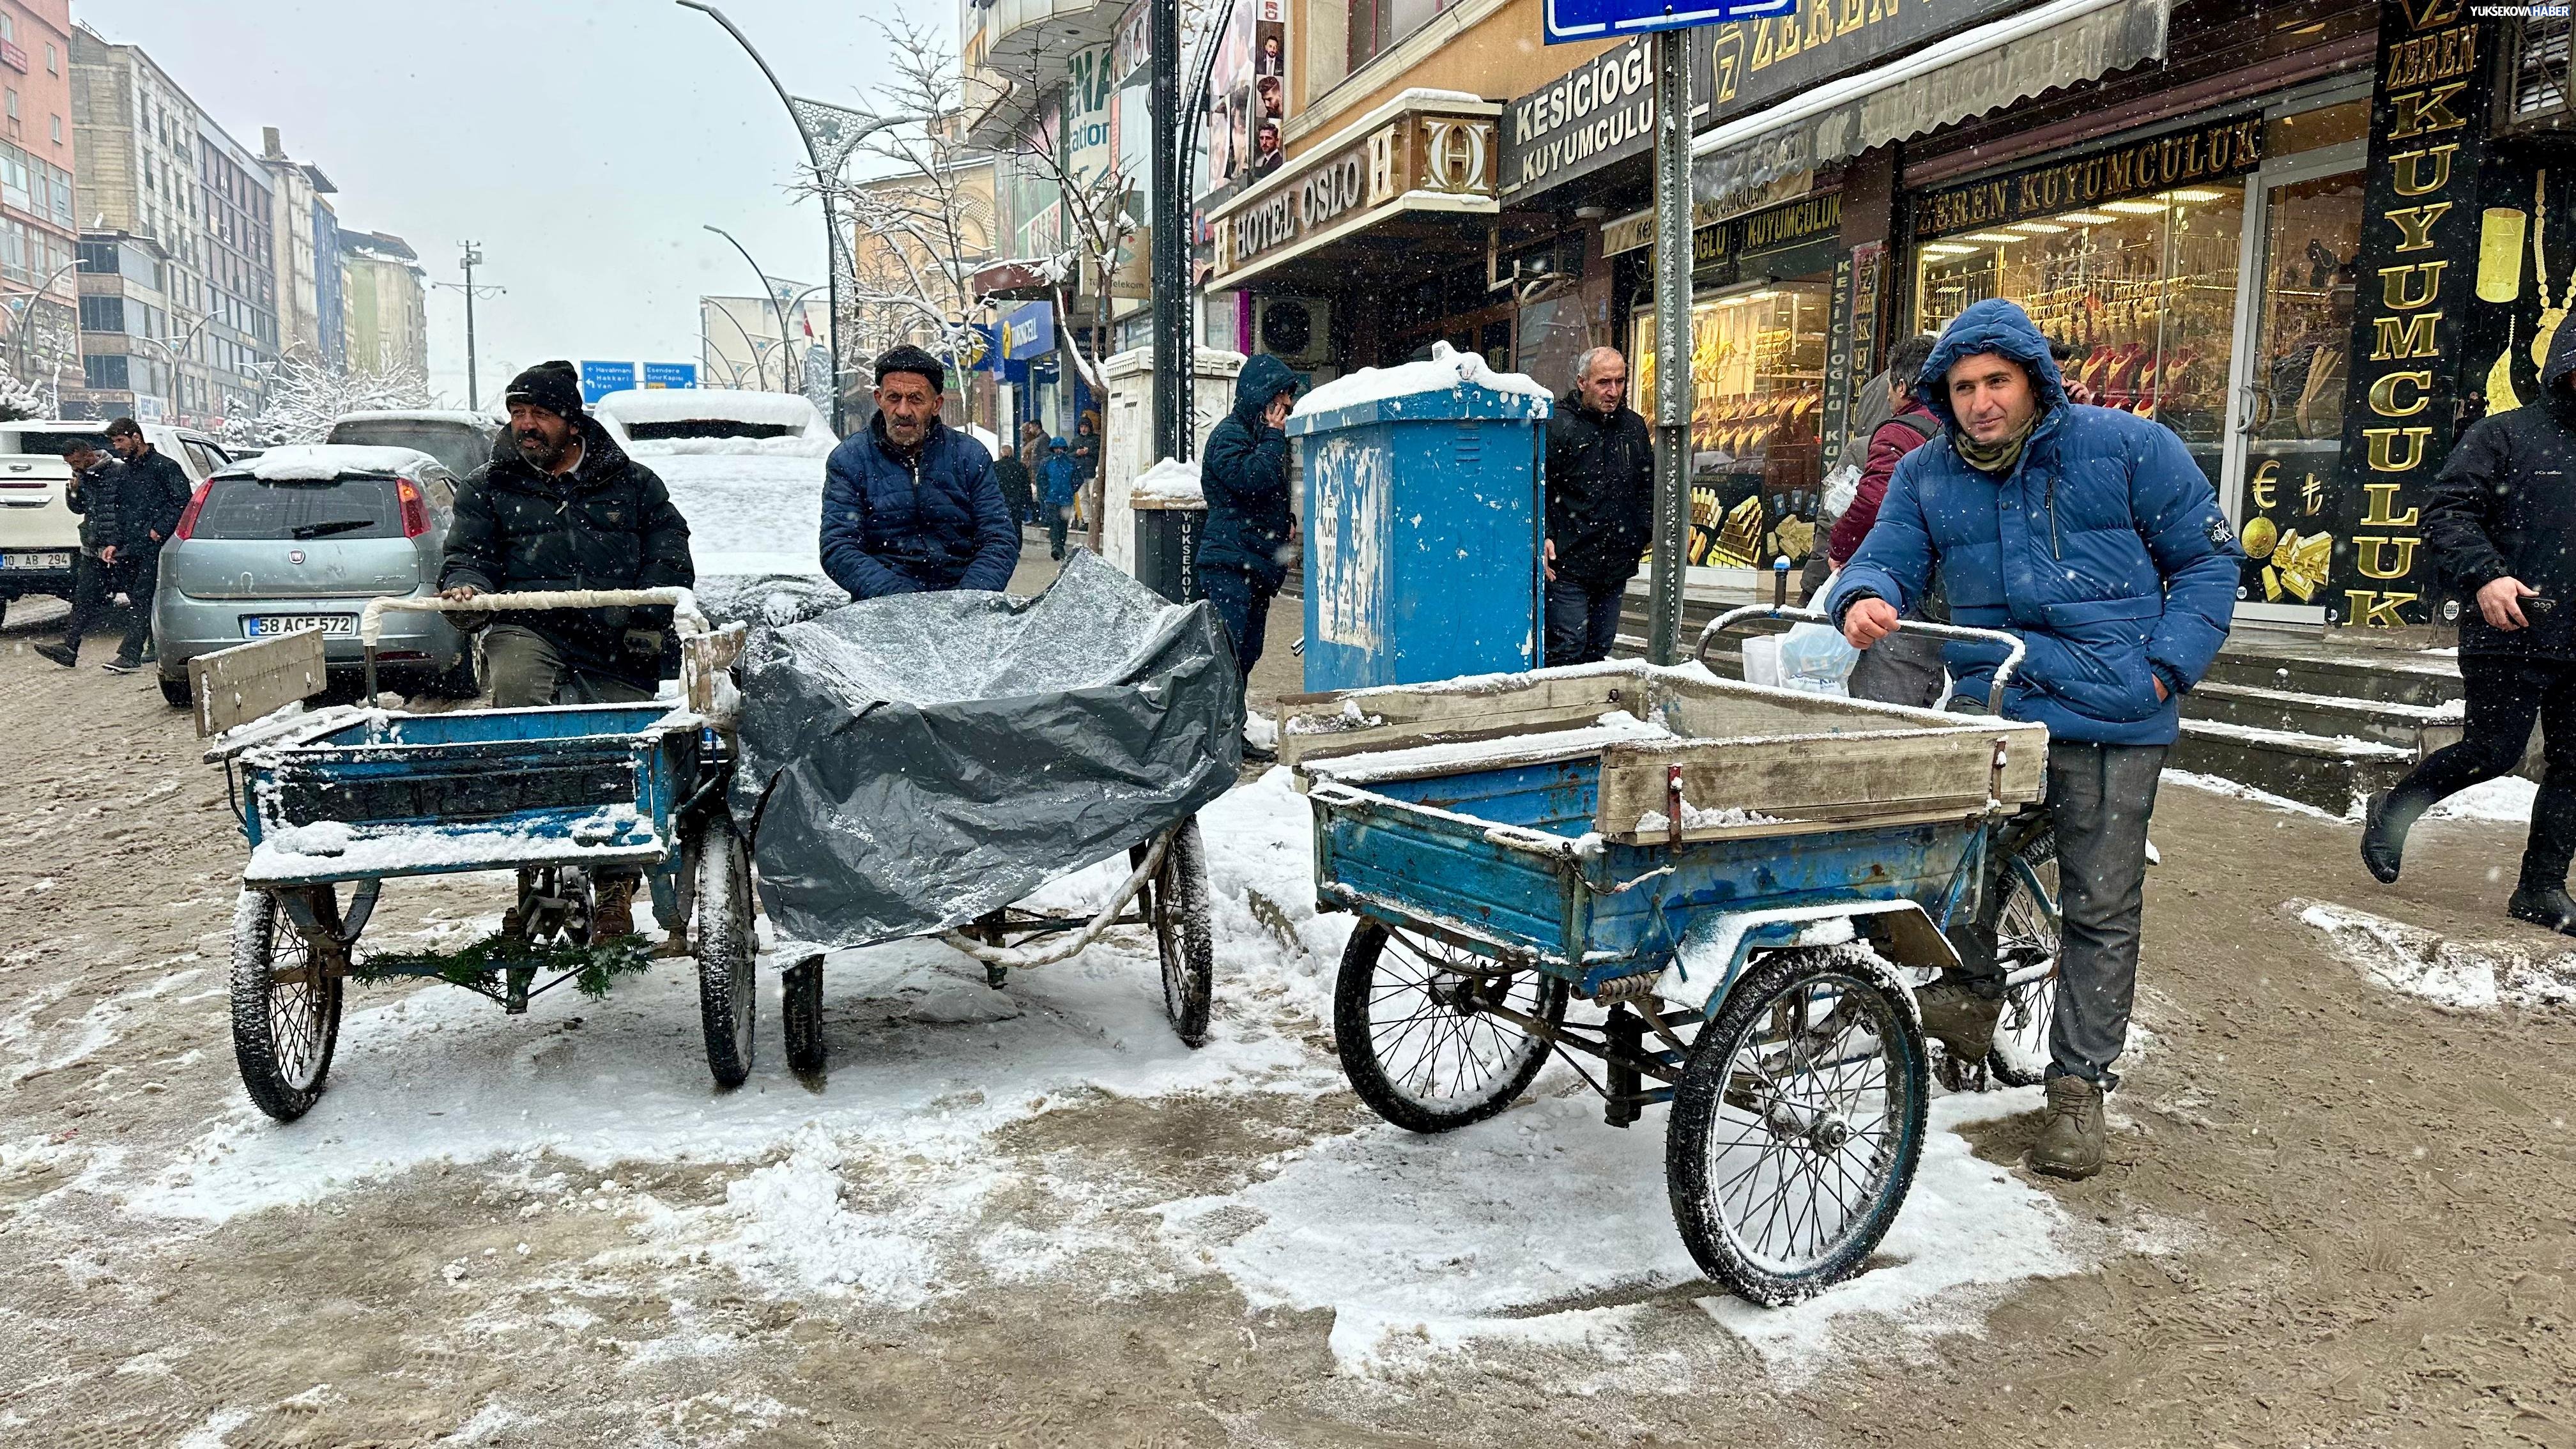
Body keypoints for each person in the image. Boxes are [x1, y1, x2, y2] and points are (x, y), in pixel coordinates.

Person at [1825, 298, 2237, 1179]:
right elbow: (1886, 554)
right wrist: (1862, 595)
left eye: (1997, 382)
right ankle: (1970, 990)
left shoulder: (2128, 447)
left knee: (2100, 903)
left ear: (2034, 382)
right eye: (1963, 387)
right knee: (1947, 857)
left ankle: (2079, 1088)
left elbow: (2207, 561)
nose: (1981, 403)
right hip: (1999, 702)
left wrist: (2164, 669)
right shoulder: (1928, 473)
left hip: (2113, 710)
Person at [438, 359, 694, 940]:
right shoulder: (488, 487)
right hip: (529, 627)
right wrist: (466, 588)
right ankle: (539, 846)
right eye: (517, 413)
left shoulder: (633, 484)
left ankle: (615, 884)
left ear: (573, 422)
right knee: (517, 700)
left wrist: (646, 618)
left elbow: (670, 555)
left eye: (540, 414)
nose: (526, 425)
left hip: (615, 638)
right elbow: (468, 555)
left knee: (624, 749)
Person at [2363, 324, 2576, 930]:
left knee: (2575, 766)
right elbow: (2447, 512)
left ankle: (2540, 888)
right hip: (2512, 626)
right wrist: (2487, 575)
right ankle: (2395, 808)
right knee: (2494, 751)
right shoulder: (2503, 435)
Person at [821, 344, 1017, 597]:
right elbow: (839, 547)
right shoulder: (849, 460)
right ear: (879, 399)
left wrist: (965, 601)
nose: (903, 411)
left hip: (964, 604)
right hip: (884, 608)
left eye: (915, 399)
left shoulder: (969, 456)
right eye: (894, 398)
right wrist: (902, 602)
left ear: (936, 404)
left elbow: (999, 539)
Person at [1828, 333, 1947, 707]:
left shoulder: (1898, 431)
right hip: (1955, 586)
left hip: (1910, 577)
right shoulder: (1961, 428)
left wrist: (1841, 549)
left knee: (1890, 694)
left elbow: (1873, 503)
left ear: (1902, 386)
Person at [1542, 346, 1651, 666]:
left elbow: (1647, 485)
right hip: (1567, 564)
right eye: (1604, 382)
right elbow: (1539, 487)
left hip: (1615, 562)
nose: (1613, 391)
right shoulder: (1558, 425)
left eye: (1620, 381)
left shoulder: (1633, 427)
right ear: (1582, 382)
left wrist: (1640, 534)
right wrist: (1544, 534)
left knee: (1599, 648)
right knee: (1566, 649)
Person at [1199, 351, 1299, 683]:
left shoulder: (1257, 435)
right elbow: (1252, 480)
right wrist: (1273, 436)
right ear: (1263, 396)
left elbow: (1261, 494)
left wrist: (1283, 522)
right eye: (1282, 396)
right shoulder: (1230, 435)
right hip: (1231, 564)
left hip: (1252, 563)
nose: (1288, 404)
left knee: (1246, 653)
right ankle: (1218, 717)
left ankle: (1231, 715)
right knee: (1227, 657)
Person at [94, 418, 192, 675]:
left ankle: (130, 654)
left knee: (143, 596)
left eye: (121, 440)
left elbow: (182, 502)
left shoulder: (165, 467)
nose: (117, 447)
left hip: (158, 546)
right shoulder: (125, 472)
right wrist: (114, 543)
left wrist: (159, 528)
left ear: (136, 437)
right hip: (132, 547)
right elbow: (120, 511)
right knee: (141, 597)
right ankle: (154, 645)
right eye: (114, 442)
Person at [34, 437, 125, 670]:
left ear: (88, 454)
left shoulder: (118, 472)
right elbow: (80, 509)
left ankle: (147, 646)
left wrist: (118, 541)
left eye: (76, 462)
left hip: (120, 549)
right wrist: (73, 492)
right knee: (83, 599)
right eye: (69, 464)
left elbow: (126, 510)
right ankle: (69, 648)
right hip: (93, 548)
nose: (74, 467)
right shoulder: (83, 476)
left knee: (139, 598)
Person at [993, 443, 1036, 530]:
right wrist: (1028, 502)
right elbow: (1026, 486)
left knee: (1002, 525)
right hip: (1017, 501)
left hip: (1001, 501)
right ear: (1012, 453)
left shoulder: (995, 466)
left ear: (1001, 454)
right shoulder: (1020, 466)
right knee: (1016, 525)